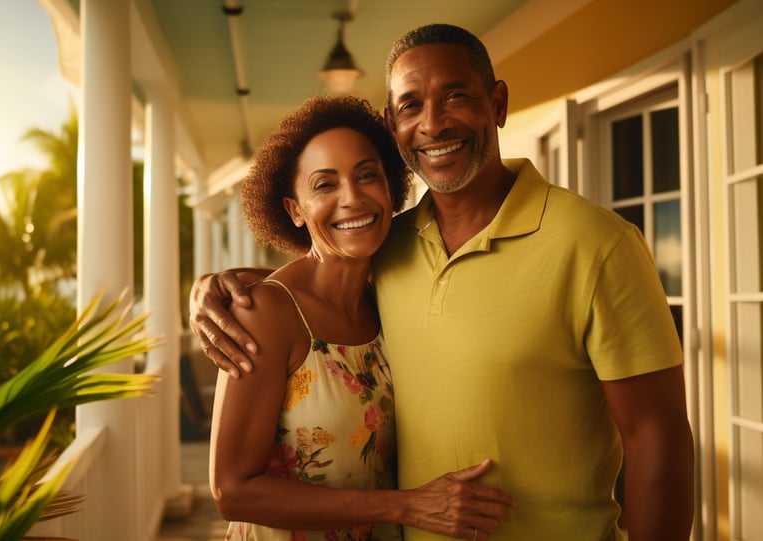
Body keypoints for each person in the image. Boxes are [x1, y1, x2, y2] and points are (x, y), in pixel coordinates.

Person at [191, 25, 694, 541]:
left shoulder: (598, 243)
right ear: (393, 125)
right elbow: (319, 281)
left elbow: (657, 437)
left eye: (455, 96)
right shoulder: (392, 246)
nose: (433, 123)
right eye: (411, 106)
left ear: (498, 104)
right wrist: (224, 287)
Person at [206, 94, 514, 541]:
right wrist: (408, 505)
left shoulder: (388, 295)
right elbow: (232, 492)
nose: (352, 198)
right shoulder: (265, 315)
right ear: (295, 210)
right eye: (325, 185)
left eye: (367, 175)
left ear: (391, 188)